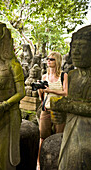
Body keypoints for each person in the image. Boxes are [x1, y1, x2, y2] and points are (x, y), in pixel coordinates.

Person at [0, 21, 25, 170]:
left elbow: (22, 92)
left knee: (1, 161)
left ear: (3, 46)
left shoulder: (13, 65)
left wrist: (4, 105)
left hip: (7, 116)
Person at [50, 25, 91, 170]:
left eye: (82, 47)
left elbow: (70, 105)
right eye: (74, 47)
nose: (76, 52)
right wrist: (59, 114)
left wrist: (68, 106)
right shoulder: (72, 75)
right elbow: (67, 114)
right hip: (70, 134)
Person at [37, 51, 68, 170]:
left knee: (58, 136)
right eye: (48, 59)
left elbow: (66, 92)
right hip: (46, 109)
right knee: (42, 136)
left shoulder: (63, 75)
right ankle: (40, 163)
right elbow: (42, 96)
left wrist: (50, 90)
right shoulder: (44, 76)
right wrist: (41, 90)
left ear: (57, 61)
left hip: (59, 110)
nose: (48, 61)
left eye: (51, 59)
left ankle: (58, 163)